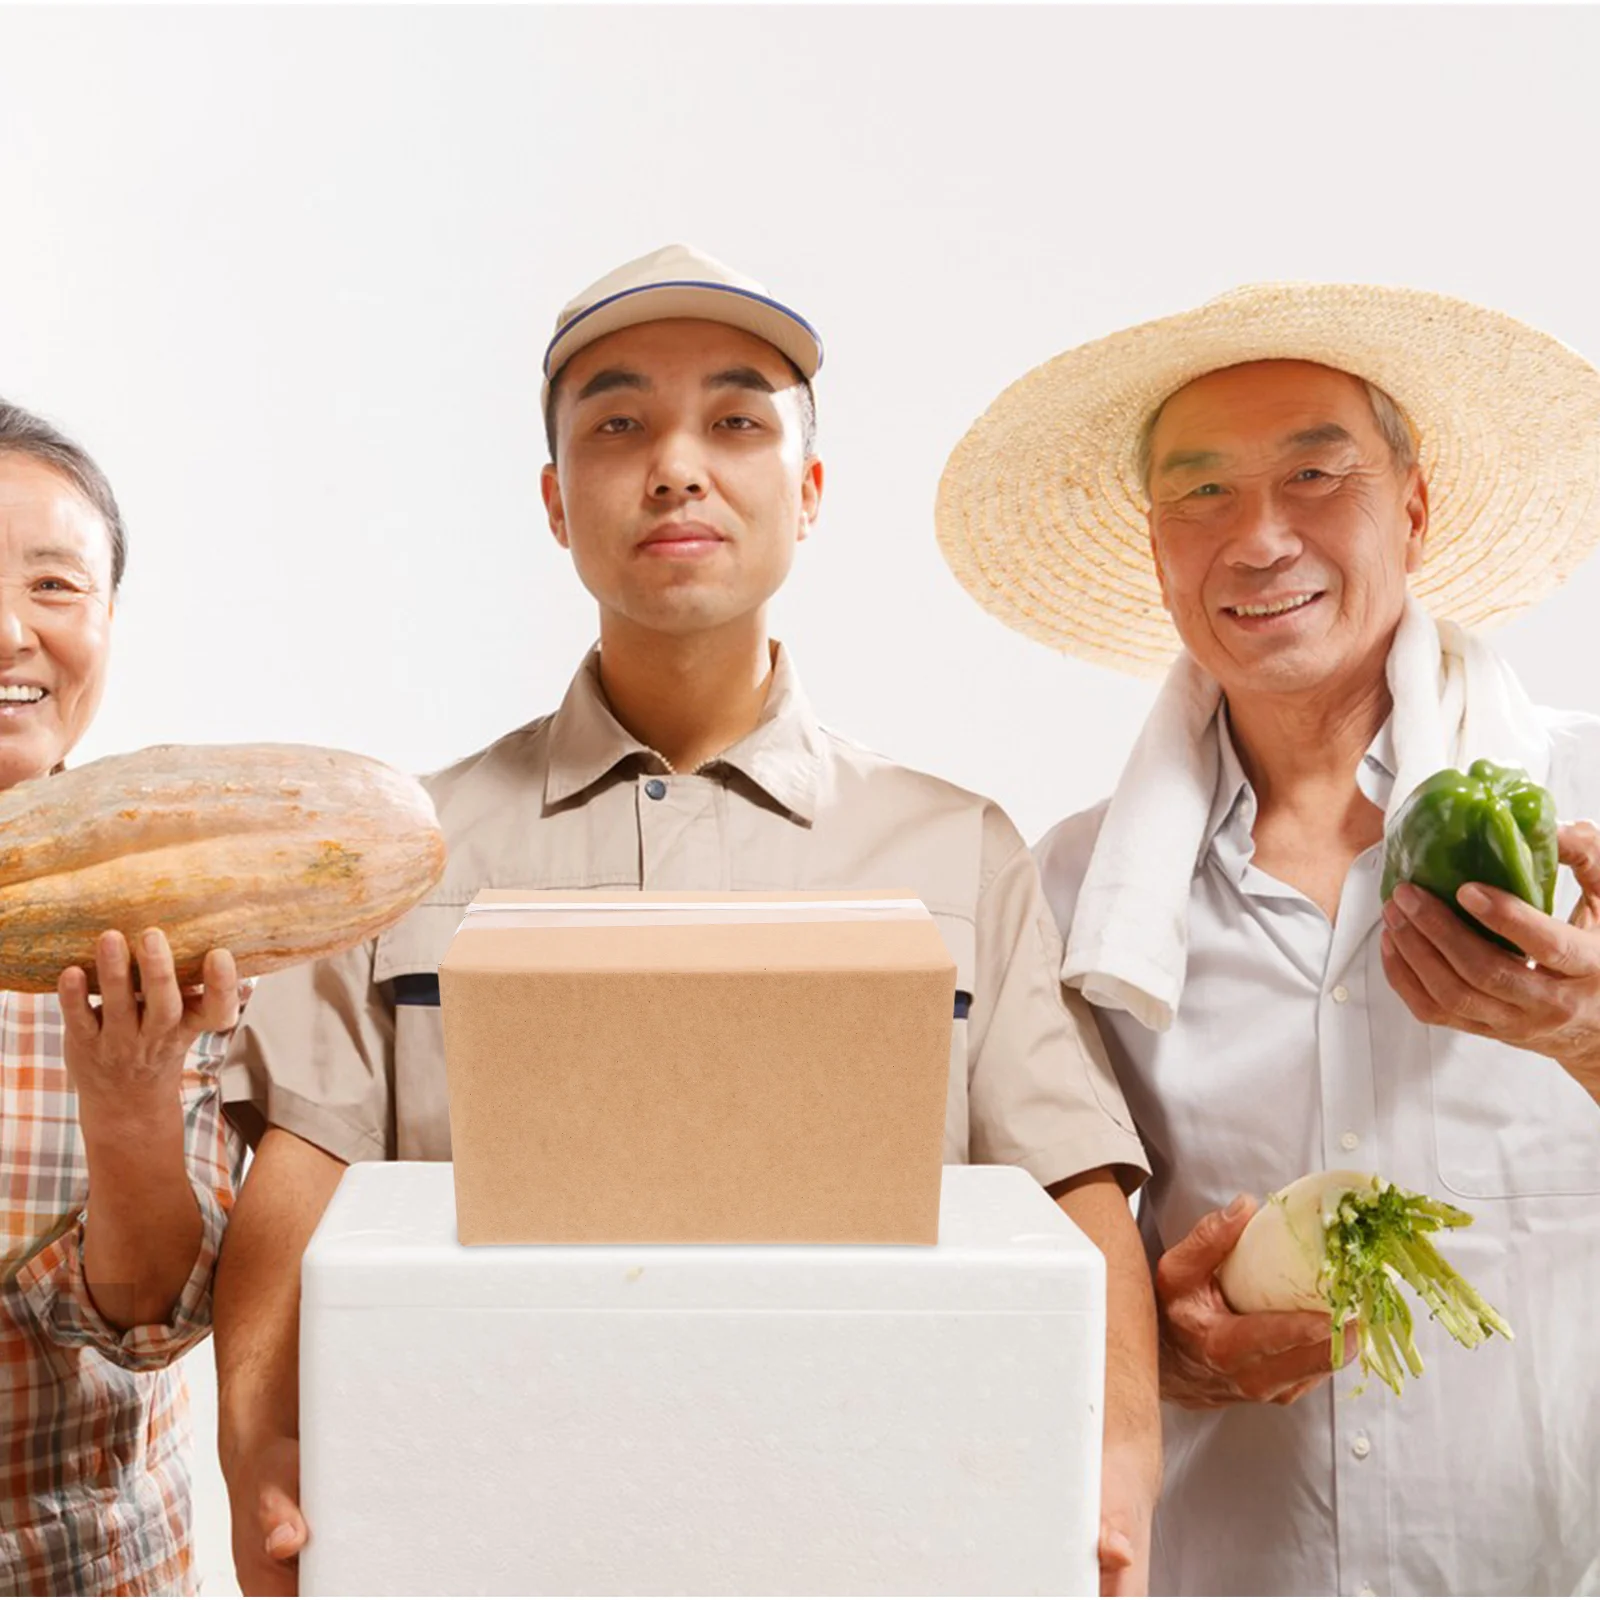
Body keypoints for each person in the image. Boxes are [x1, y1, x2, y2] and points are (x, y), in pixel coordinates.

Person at [214, 243, 1162, 1596]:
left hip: (875, 1537)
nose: (676, 465)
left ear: (810, 490)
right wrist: (262, 1449)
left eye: (736, 421)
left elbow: (1077, 1191)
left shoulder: (958, 851)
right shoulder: (401, 855)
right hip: (480, 1536)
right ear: (554, 500)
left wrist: (1120, 1456)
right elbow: (297, 1182)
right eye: (618, 424)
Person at [935, 282, 1600, 1595]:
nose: (1260, 538)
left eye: (1315, 473)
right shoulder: (1073, 891)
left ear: (1412, 509)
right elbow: (1031, 1274)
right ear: (1155, 548)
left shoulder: (1584, 818)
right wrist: (1161, 1353)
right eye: (1202, 495)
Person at [0, 402, 242, 1596]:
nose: (9, 633)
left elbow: (152, 1314)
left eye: (55, 586)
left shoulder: (179, 919)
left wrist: (130, 1100)